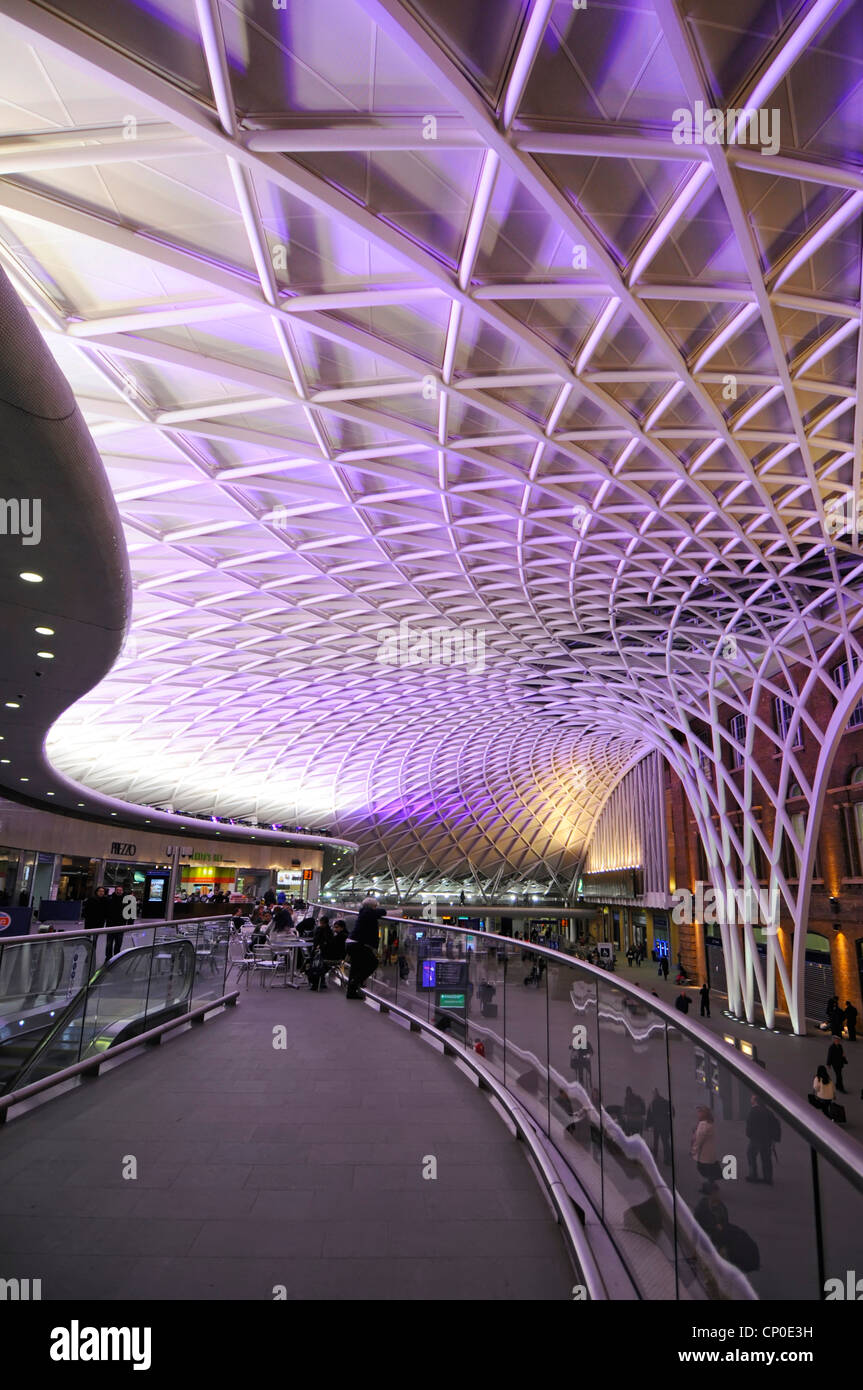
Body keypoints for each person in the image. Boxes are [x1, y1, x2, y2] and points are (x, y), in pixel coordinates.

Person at [345, 898, 385, 999]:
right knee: (373, 963)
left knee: (355, 967)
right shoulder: (367, 912)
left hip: (353, 943)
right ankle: (355, 983)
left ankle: (351, 991)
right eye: (375, 906)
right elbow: (383, 912)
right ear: (372, 906)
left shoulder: (364, 913)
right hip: (358, 944)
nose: (376, 908)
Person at [745, 1094, 777, 1185]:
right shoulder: (768, 1111)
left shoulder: (753, 1111)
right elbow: (774, 1124)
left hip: (756, 1139)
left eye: (752, 1098)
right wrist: (773, 1139)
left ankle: (753, 1175)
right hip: (767, 1139)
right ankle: (768, 1178)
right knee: (766, 1158)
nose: (750, 1099)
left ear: (755, 1100)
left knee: (751, 1155)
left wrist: (749, 1135)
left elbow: (749, 1125)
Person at [690, 1105, 721, 1192]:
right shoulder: (709, 1122)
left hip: (704, 1153)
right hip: (710, 1152)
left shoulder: (703, 1125)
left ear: (703, 1114)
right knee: (710, 1169)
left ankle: (709, 1187)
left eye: (699, 1112)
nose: (697, 1114)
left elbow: (699, 1139)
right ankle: (712, 1184)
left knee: (703, 1169)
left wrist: (693, 1150)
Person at [104, 886, 127, 959]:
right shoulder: (109, 899)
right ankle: (108, 958)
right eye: (117, 890)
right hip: (110, 924)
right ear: (115, 890)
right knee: (109, 943)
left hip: (121, 925)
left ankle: (117, 957)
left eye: (120, 890)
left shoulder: (126, 900)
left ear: (122, 891)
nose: (119, 891)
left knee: (118, 943)